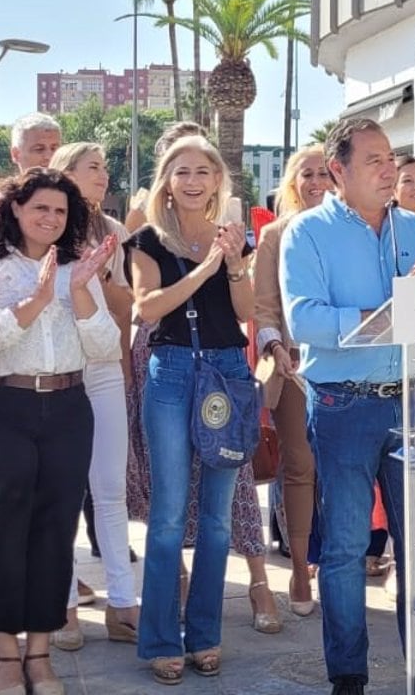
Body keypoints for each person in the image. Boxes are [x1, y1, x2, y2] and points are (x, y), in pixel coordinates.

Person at [281, 117, 415, 695]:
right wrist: (387, 318)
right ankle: (349, 674)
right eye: (373, 160)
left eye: (391, 158)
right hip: (344, 406)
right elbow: (306, 320)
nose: (388, 169)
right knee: (349, 548)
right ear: (338, 171)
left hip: (414, 402)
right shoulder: (307, 233)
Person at [0, 169, 122, 695]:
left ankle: (41, 651)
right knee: (4, 528)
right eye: (40, 208)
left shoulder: (81, 269)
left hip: (68, 407)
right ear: (17, 209)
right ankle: (6, 654)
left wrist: (77, 293)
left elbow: (104, 347)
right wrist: (31, 305)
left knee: (56, 529)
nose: (50, 219)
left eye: (60, 212)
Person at [125, 135, 257, 684]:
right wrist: (202, 271)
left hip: (228, 370)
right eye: (182, 171)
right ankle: (160, 639)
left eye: (204, 170)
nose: (194, 179)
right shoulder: (147, 240)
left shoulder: (235, 239)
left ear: (218, 180)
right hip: (173, 371)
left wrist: (232, 264)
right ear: (167, 181)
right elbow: (147, 308)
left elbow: (247, 313)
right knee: (168, 514)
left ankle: (205, 634)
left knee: (218, 518)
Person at [49, 141, 142, 645]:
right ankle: (62, 604)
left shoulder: (115, 231)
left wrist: (101, 278)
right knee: (62, 491)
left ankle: (123, 605)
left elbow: (128, 307)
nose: (103, 176)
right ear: (64, 173)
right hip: (59, 370)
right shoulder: (42, 223)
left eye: (105, 167)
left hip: (104, 366)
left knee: (110, 489)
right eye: (92, 167)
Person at [253, 145, 334, 620]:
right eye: (307, 173)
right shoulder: (275, 235)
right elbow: (264, 304)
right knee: (300, 466)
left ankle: (337, 562)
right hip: (293, 370)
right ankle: (302, 566)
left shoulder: (357, 232)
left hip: (347, 368)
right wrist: (274, 345)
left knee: (341, 470)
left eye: (325, 172)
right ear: (291, 181)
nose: (316, 181)